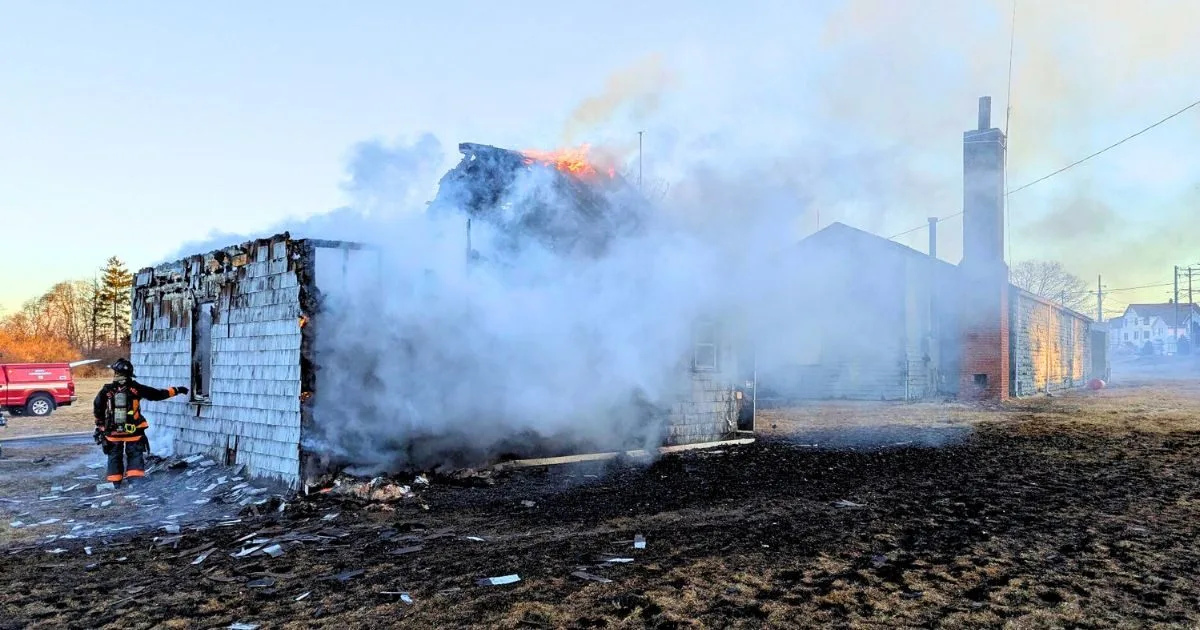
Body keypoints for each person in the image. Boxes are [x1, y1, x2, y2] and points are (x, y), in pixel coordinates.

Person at [92, 358, 188, 486]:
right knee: (135, 455)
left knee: (114, 457)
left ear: (115, 373)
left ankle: (115, 484)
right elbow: (157, 394)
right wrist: (177, 390)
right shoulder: (135, 388)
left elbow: (98, 406)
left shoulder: (107, 390)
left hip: (113, 433)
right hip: (134, 431)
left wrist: (100, 424)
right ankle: (135, 483)